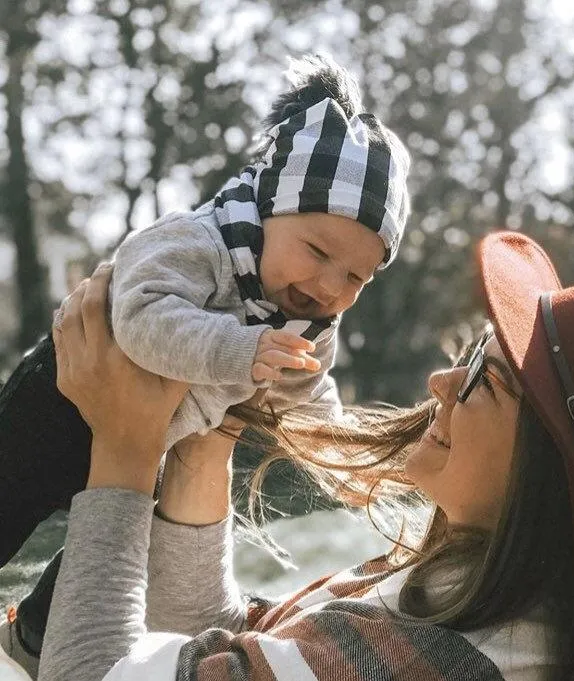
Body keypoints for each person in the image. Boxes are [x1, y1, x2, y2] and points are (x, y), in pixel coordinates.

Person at [11, 229, 574, 680]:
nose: (441, 381)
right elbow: (234, 651)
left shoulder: (439, 657)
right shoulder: (482, 595)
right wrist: (206, 438)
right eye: (470, 351)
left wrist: (123, 448)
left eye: (487, 376)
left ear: (549, 471)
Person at [0, 53, 410, 581]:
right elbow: (140, 318)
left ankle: (35, 628)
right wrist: (239, 350)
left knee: (127, 553)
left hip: (151, 441)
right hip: (61, 403)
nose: (331, 285)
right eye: (317, 251)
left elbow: (306, 393)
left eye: (356, 278)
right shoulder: (198, 240)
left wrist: (340, 456)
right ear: (270, 210)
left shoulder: (310, 320)